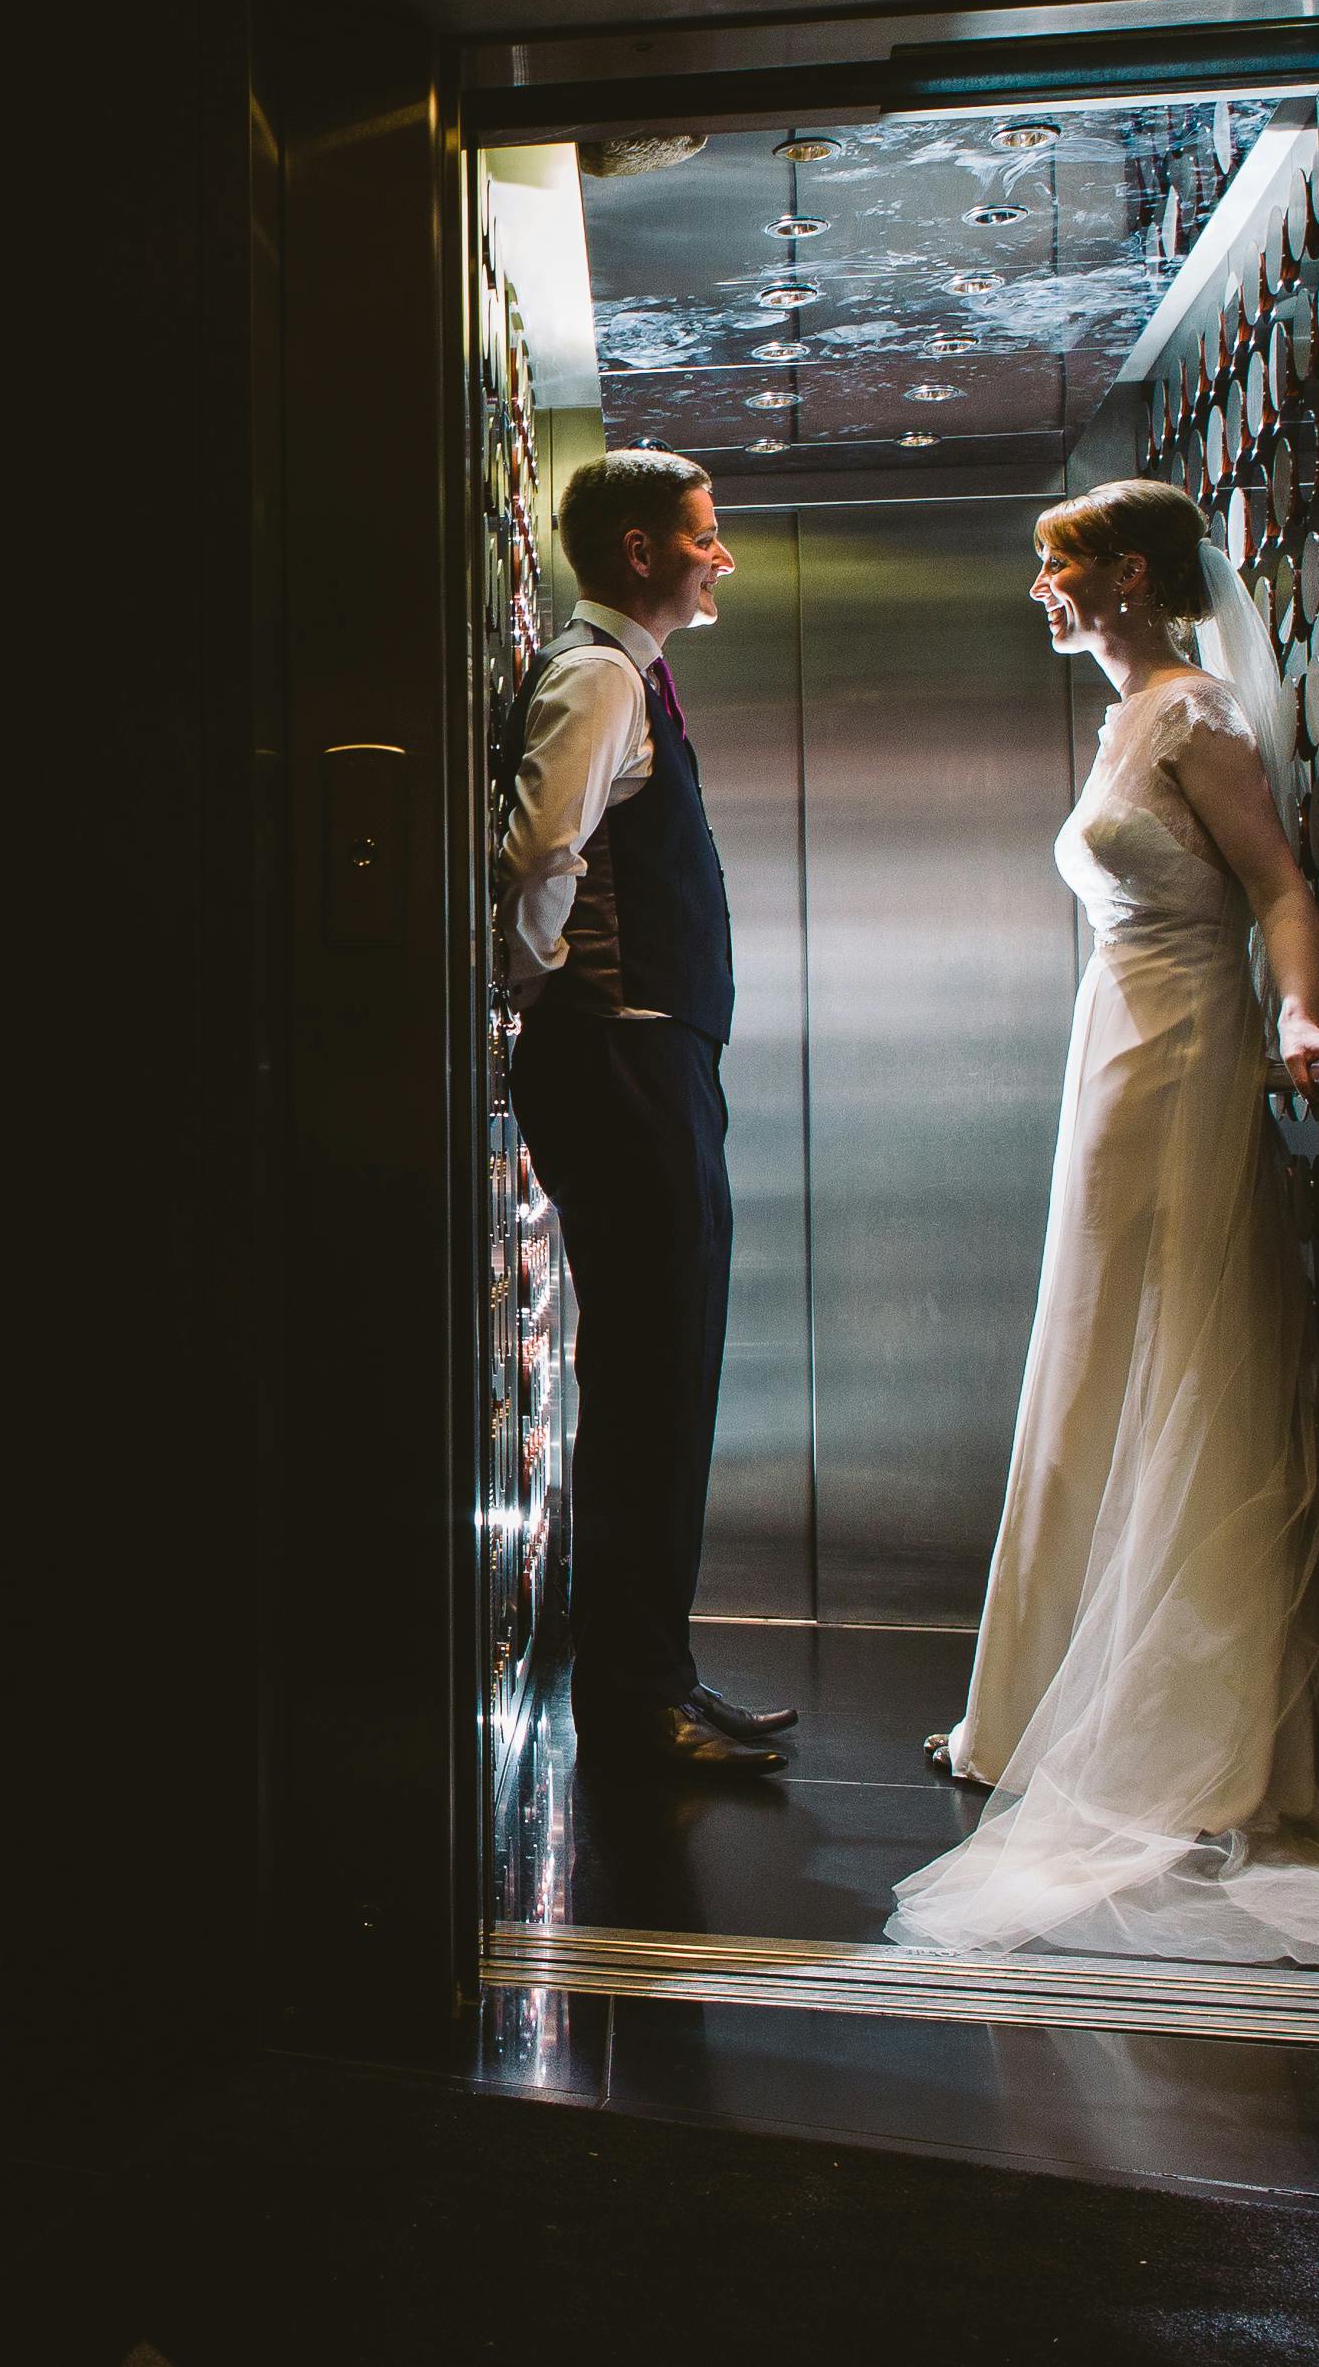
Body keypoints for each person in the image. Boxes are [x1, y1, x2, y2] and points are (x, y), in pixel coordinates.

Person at [889, 477, 1319, 1965]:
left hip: (1182, 1054)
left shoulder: (1191, 717)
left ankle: (1177, 1720)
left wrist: (1300, 1017)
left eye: (1063, 564)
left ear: (1134, 575)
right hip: (1119, 1049)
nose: (1044, 586)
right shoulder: (1125, 715)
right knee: (1101, 1353)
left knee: (1181, 1350)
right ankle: (1048, 1696)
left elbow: (1279, 885)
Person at [498, 451, 795, 1779]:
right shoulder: (600, 672)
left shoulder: (623, 672)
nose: (719, 557)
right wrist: (549, 985)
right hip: (621, 1054)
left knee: (663, 1372)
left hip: (639, 1051)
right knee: (654, 1374)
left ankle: (652, 1673)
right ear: (637, 548)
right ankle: (635, 1695)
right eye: (704, 536)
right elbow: (538, 848)